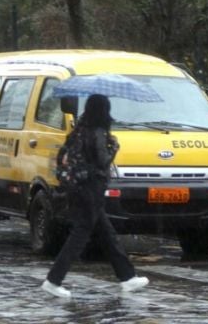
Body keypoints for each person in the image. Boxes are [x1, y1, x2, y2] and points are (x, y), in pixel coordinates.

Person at [41, 94, 148, 298]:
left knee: (107, 233)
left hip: (78, 187)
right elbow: (102, 161)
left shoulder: (79, 129)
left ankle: (127, 276)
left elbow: (64, 156)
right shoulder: (98, 132)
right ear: (103, 111)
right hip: (92, 188)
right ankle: (54, 280)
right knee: (81, 234)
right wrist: (114, 148)